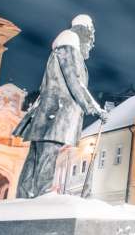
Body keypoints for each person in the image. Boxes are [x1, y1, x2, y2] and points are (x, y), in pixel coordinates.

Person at [13, 15, 107, 198]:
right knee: (47, 154)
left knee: (36, 156)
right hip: (56, 112)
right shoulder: (69, 43)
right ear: (84, 31)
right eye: (91, 37)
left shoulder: (66, 45)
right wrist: (95, 108)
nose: (92, 44)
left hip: (48, 111)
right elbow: (75, 81)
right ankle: (41, 195)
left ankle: (25, 196)